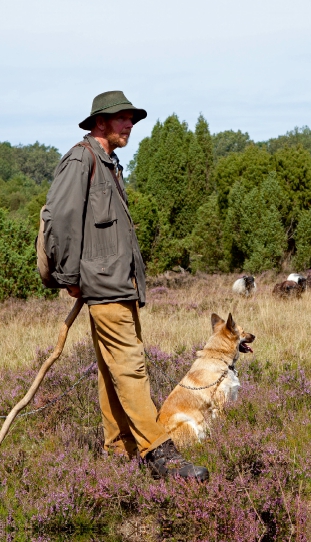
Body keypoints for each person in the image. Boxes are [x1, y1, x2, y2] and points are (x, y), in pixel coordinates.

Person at [45, 91, 208, 482]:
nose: (130, 125)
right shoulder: (80, 159)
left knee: (111, 371)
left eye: (131, 118)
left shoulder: (110, 164)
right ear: (100, 122)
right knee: (131, 369)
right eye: (123, 118)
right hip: (102, 287)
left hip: (120, 285)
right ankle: (160, 454)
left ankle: (119, 449)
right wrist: (69, 278)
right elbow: (60, 220)